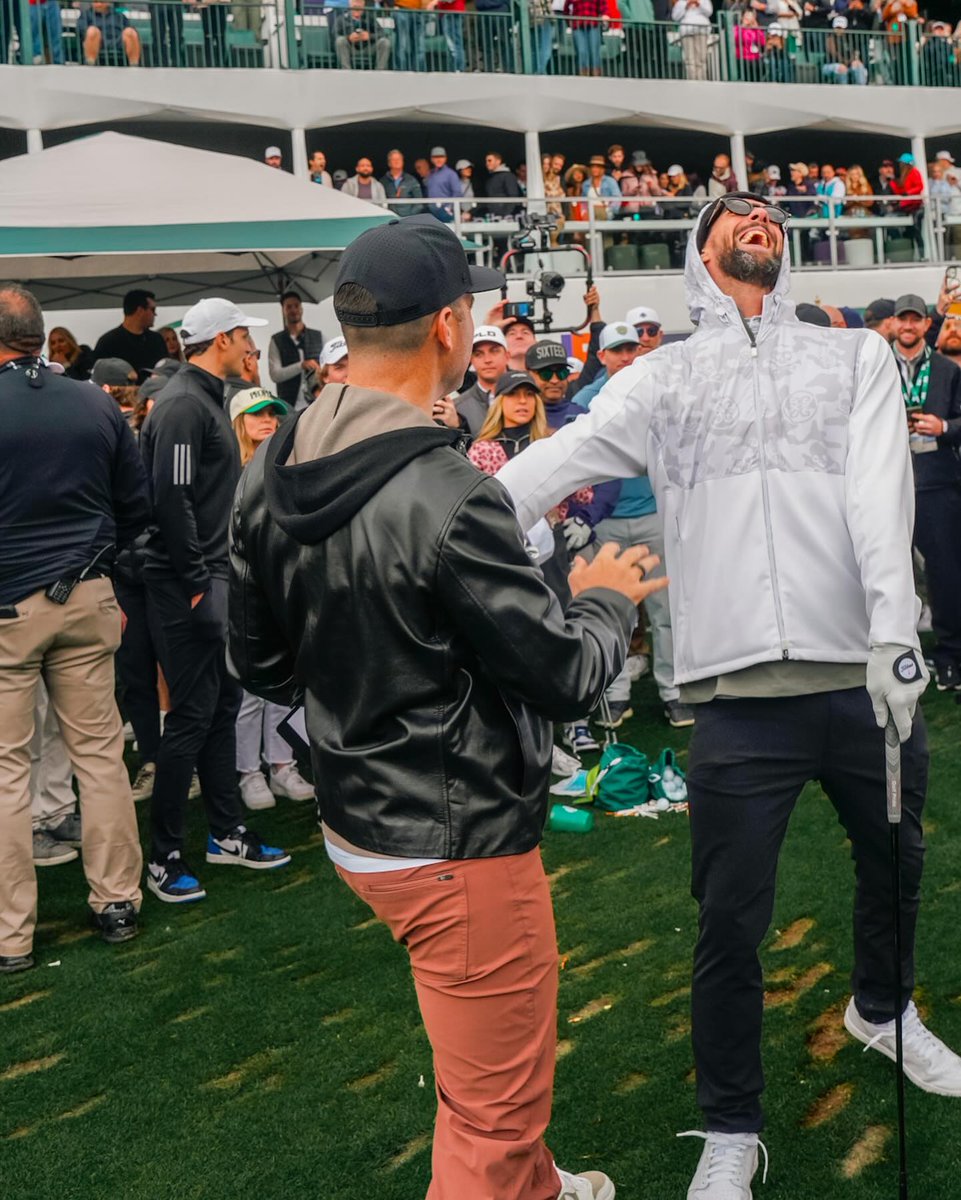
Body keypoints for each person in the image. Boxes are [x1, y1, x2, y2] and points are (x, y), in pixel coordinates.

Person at [497, 192, 961, 1198]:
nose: (755, 217)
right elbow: (561, 459)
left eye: (765, 210)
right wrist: (449, 508)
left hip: (859, 679)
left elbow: (882, 496)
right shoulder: (663, 375)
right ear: (698, 252)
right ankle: (729, 1129)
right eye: (731, 213)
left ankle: (882, 1011)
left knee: (896, 865)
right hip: (737, 702)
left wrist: (892, 636)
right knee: (728, 922)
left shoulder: (852, 358)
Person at [228, 212, 662, 1199]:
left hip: (360, 822)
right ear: (449, 327)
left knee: (480, 1073)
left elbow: (258, 666)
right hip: (452, 838)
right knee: (492, 1120)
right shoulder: (444, 489)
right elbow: (562, 677)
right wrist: (604, 596)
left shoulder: (271, 458)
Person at [0, 282, 151, 974]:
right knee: (98, 755)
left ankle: (12, 936)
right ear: (40, 334)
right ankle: (116, 900)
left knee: (7, 772)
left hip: (12, 608)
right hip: (88, 595)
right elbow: (135, 504)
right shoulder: (94, 400)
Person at [139, 298, 290, 904]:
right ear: (222, 339)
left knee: (221, 704)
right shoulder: (181, 402)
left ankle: (225, 832)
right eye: (242, 338)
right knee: (194, 716)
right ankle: (163, 855)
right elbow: (170, 499)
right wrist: (198, 579)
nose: (248, 348)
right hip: (186, 582)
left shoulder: (200, 397)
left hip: (205, 576)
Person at [575, 319, 691, 729]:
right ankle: (616, 691)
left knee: (665, 611)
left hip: (652, 515)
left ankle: (674, 692)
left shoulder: (655, 391)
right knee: (615, 612)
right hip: (605, 523)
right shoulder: (586, 399)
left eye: (631, 349)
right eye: (617, 351)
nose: (626, 357)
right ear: (601, 355)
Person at [228, 387, 315, 811]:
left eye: (272, 414)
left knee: (287, 683)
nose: (268, 421)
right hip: (247, 590)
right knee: (250, 692)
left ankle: (282, 765)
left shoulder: (287, 466)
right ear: (238, 424)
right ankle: (248, 772)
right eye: (256, 414)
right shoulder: (228, 472)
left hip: (287, 588)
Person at [891, 294, 961, 691]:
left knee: (945, 572)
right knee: (888, 569)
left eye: (916, 320)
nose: (909, 326)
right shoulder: (877, 364)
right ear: (895, 324)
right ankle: (898, 652)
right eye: (903, 319)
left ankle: (950, 653)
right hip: (888, 481)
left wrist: (945, 429)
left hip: (936, 481)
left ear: (923, 326)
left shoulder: (948, 370)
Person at [92, 289, 168, 382]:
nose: (155, 314)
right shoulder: (108, 342)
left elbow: (166, 370)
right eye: (152, 309)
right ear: (140, 310)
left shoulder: (156, 340)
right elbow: (98, 376)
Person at [268, 290, 323, 409]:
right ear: (283, 310)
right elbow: (275, 374)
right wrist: (301, 366)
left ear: (302, 308)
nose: (293, 310)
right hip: (288, 405)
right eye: (288, 307)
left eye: (296, 306)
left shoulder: (319, 336)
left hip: (316, 402)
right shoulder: (276, 340)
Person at [456, 324, 509, 434]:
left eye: (494, 351)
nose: (487, 360)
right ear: (471, 360)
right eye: (478, 354)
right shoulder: (457, 408)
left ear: (507, 355)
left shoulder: (529, 398)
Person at [334, 0, 392, 70]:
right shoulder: (342, 19)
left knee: (385, 42)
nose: (357, 9)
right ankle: (346, 71)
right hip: (350, 48)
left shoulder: (370, 18)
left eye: (359, 6)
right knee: (340, 40)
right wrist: (348, 38)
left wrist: (369, 36)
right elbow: (334, 35)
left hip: (368, 47)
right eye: (355, 6)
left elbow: (382, 33)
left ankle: (380, 72)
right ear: (350, 5)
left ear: (363, 5)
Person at [672, 0, 713, 80]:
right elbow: (675, 17)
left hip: (701, 31)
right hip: (686, 32)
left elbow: (709, 12)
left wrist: (699, 4)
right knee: (689, 60)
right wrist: (686, 6)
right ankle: (691, 82)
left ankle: (702, 82)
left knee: (701, 60)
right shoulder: (681, 2)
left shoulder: (704, 1)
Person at [425, 145, 462, 223]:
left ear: (445, 158)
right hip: (432, 212)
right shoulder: (430, 174)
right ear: (432, 159)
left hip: (445, 212)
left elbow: (457, 193)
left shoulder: (451, 174)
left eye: (441, 157)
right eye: (436, 157)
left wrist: (449, 207)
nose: (439, 159)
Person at [381, 149, 425, 216]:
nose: (397, 161)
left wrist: (409, 216)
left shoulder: (411, 180)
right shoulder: (383, 181)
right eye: (394, 159)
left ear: (403, 162)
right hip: (389, 219)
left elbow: (419, 203)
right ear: (389, 163)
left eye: (399, 159)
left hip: (408, 220)